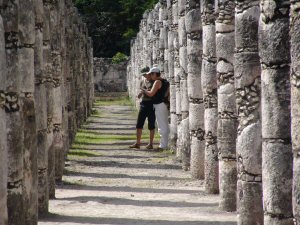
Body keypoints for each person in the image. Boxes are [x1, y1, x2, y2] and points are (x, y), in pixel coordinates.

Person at [141, 67, 170, 150]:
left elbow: (151, 94)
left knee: (161, 125)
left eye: (151, 74)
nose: (150, 76)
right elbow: (167, 94)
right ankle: (164, 144)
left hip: (159, 104)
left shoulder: (157, 82)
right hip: (163, 104)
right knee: (164, 124)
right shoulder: (166, 81)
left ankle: (163, 146)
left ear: (155, 74)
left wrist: (144, 90)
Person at [129, 66, 156, 150]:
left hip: (151, 104)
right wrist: (141, 93)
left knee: (151, 125)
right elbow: (140, 94)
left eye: (146, 74)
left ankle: (151, 143)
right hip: (144, 104)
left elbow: (153, 94)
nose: (145, 76)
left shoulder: (155, 82)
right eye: (144, 75)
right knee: (139, 124)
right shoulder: (142, 81)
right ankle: (138, 143)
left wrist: (145, 91)